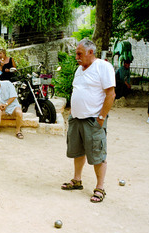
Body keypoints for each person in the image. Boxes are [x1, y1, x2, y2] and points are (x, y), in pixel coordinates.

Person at [61, 39, 116, 203]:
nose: (77, 57)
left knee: (97, 154)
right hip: (76, 118)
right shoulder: (79, 69)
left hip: (93, 119)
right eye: (76, 54)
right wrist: (72, 111)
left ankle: (100, 188)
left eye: (80, 54)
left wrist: (101, 117)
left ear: (90, 52)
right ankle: (77, 180)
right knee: (77, 151)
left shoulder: (103, 67)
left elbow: (110, 94)